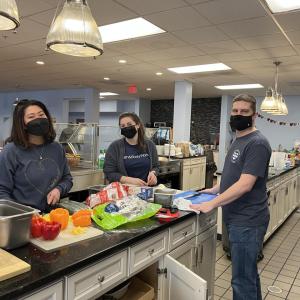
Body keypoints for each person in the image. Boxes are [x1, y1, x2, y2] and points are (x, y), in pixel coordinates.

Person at [191, 94, 271, 300]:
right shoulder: (238, 139)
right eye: (235, 111)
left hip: (248, 221)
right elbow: (232, 176)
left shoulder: (257, 143)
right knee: (248, 276)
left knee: (242, 280)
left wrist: (212, 204)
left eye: (244, 112)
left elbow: (245, 185)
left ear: (255, 115)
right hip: (236, 218)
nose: (238, 115)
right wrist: (214, 190)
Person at [0, 99, 73, 212]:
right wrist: (22, 213)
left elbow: (67, 179)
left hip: (50, 217)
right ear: (22, 124)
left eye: (41, 115)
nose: (38, 119)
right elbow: (2, 191)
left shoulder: (57, 148)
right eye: (31, 117)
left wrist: (59, 189)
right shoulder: (10, 151)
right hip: (21, 219)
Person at [104, 112, 159, 186]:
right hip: (124, 193)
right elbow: (109, 173)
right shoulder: (114, 147)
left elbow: (156, 166)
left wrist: (153, 173)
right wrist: (128, 180)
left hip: (146, 191)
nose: (126, 127)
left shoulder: (149, 145)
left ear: (138, 125)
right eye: (123, 126)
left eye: (129, 124)